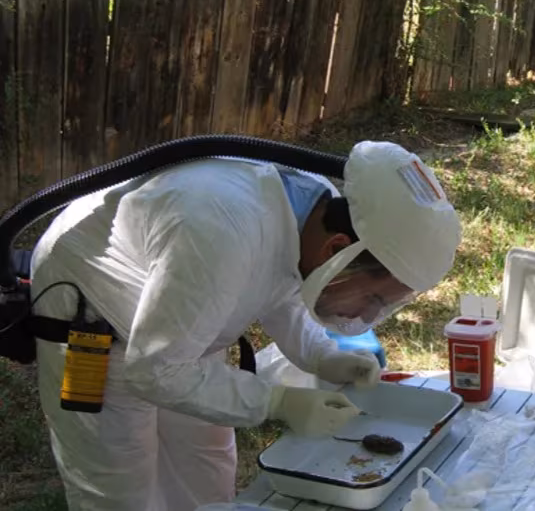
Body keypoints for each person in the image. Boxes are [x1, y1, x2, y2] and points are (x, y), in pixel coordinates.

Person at [29, 140, 462, 511]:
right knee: (122, 484)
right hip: (94, 317)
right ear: (338, 247)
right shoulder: (222, 230)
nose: (368, 316)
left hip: (185, 310)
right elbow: (154, 369)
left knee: (206, 467)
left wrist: (322, 355)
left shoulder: (315, 205)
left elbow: (281, 283)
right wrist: (276, 403)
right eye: (372, 298)